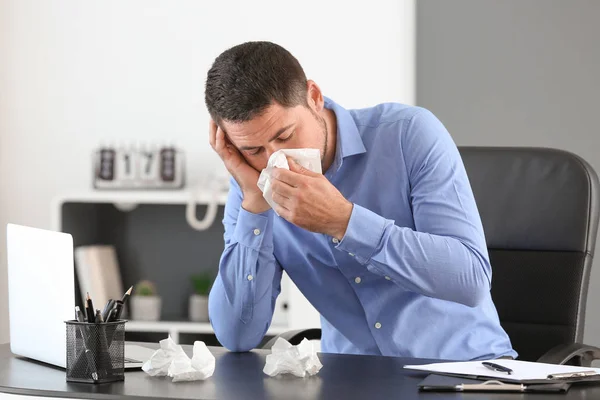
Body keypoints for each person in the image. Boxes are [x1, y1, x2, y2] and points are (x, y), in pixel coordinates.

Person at [204, 41, 516, 360]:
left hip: (466, 371)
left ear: (313, 98)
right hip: (354, 379)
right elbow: (237, 336)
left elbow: (471, 281)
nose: (276, 160)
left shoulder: (408, 134)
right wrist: (256, 205)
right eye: (253, 150)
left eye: (284, 136)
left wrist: (344, 221)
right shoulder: (252, 187)